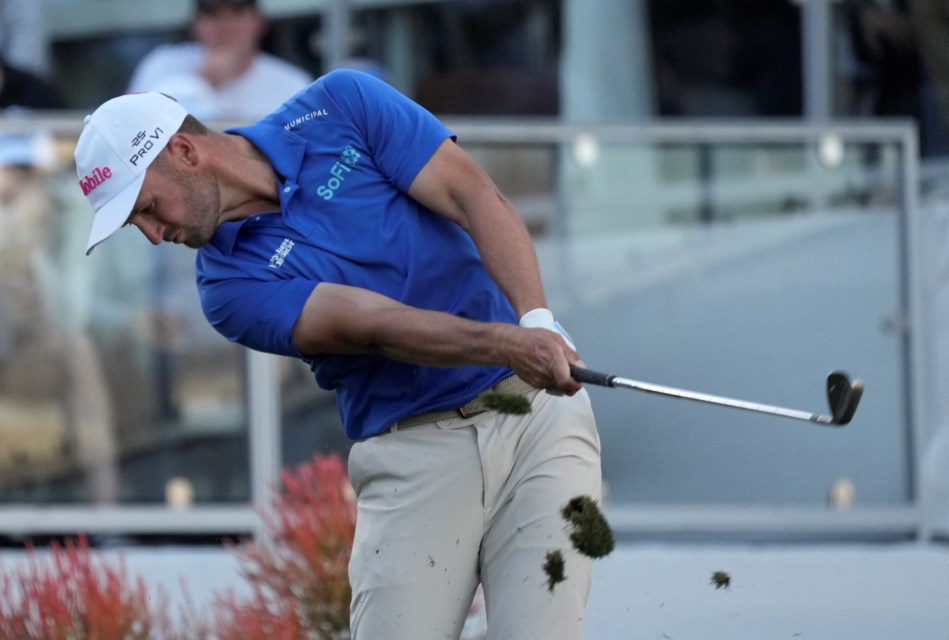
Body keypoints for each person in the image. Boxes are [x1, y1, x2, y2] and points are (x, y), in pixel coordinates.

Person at [74, 70, 603, 638]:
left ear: (183, 151)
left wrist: (538, 321)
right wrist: (507, 343)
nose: (153, 235)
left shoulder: (342, 105)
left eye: (148, 207)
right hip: (416, 454)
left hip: (538, 421)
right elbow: (375, 325)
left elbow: (473, 196)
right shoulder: (226, 289)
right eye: (136, 225)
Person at [127, 0, 312, 122]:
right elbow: (133, 129)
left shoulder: (293, 84)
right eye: (213, 14)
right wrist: (203, 81)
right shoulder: (161, 64)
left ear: (259, 22)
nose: (226, 26)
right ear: (194, 23)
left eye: (237, 12)